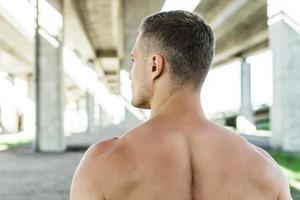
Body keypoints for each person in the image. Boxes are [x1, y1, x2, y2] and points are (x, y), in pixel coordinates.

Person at [70, 10, 292, 200]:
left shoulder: (103, 163)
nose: (130, 75)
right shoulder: (265, 169)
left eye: (134, 60)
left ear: (155, 65)